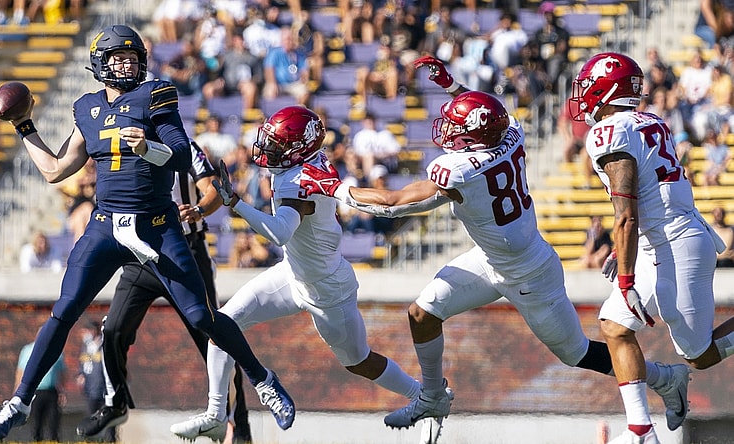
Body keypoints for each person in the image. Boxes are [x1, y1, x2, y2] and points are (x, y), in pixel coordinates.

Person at [300, 55, 692, 436]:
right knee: (422, 313)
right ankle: (433, 396)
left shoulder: (461, 170)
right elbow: (490, 114)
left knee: (576, 354)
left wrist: (335, 189)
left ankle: (664, 377)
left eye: (456, 129)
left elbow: (393, 203)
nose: (449, 135)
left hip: (529, 273)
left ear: (471, 140)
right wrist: (452, 87)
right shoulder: (510, 132)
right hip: (492, 259)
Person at [0, 24, 295, 441]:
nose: (127, 63)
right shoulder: (86, 107)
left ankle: (264, 380)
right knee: (66, 309)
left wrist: (148, 147)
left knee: (202, 315)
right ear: (99, 63)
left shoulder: (156, 95)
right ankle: (19, 402)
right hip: (105, 226)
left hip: (156, 225)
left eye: (133, 56)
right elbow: (55, 170)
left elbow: (182, 155)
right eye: (118, 57)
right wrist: (25, 127)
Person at [168, 105, 433, 442]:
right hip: (293, 272)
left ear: (299, 149)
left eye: (278, 145)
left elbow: (279, 232)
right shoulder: (301, 167)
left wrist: (235, 202)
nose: (269, 149)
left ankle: (422, 396)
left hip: (326, 289)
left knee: (358, 361)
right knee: (222, 325)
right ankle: (216, 415)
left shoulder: (298, 178)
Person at [570, 51, 734, 443]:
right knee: (614, 326)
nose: (585, 94)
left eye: (591, 85)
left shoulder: (609, 132)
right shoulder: (649, 120)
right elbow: (650, 196)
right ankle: (641, 429)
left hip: (675, 242)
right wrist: (626, 252)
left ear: (608, 89)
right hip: (658, 237)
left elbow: (625, 211)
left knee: (700, 355)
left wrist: (626, 279)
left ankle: (661, 399)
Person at [77, 142, 253, 444]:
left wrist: (197, 209)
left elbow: (211, 189)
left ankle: (239, 423)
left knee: (214, 338)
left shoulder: (185, 148)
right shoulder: (125, 144)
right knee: (114, 330)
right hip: (142, 257)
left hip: (185, 254)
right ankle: (115, 406)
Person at [17, 331, 66, 442]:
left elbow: (61, 373)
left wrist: (62, 391)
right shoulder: (27, 350)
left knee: (53, 423)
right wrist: (18, 391)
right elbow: (20, 371)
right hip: (34, 391)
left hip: (51, 391)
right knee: (36, 423)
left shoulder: (56, 349)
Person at [76, 321, 115, 442]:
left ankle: (109, 440)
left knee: (107, 417)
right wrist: (80, 375)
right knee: (91, 417)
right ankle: (91, 439)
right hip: (90, 390)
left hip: (104, 389)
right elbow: (83, 365)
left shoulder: (104, 345)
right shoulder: (86, 347)